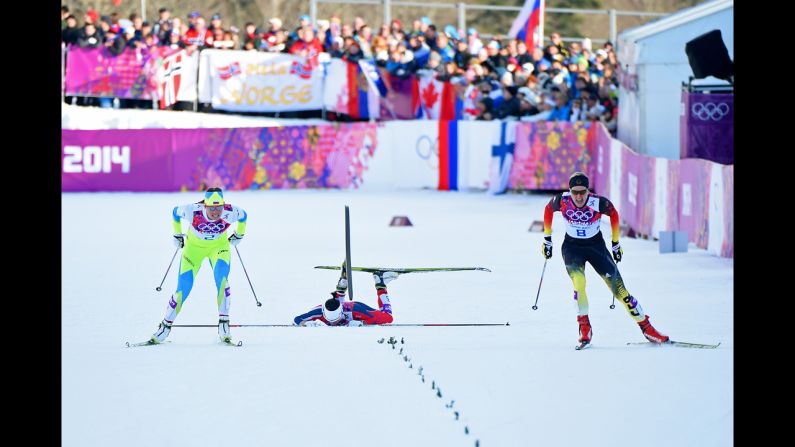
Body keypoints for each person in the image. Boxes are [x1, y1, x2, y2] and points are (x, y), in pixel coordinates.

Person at [541, 172, 669, 347]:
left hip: (596, 248)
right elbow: (548, 210)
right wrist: (547, 239)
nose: (579, 196)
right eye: (575, 192)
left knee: (620, 292)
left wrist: (615, 243)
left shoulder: (598, 202)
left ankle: (647, 328)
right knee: (579, 283)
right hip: (572, 248)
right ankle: (584, 326)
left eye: (582, 192)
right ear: (569, 190)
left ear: (588, 190)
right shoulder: (562, 201)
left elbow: (614, 214)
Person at [149, 188, 248, 344]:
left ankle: (224, 323)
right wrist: (177, 234)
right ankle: (165, 326)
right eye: (212, 208)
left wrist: (240, 234)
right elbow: (175, 212)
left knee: (222, 281)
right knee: (183, 289)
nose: (216, 212)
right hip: (193, 251)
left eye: (219, 207)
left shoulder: (231, 211)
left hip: (219, 249)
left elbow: (244, 216)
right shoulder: (192, 210)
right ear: (205, 205)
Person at [293, 265, 397, 326]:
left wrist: (361, 323)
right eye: (330, 320)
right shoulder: (317, 311)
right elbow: (297, 320)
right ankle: (342, 284)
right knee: (338, 304)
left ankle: (381, 283)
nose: (333, 323)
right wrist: (305, 324)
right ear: (324, 312)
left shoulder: (356, 310)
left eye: (336, 320)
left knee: (388, 318)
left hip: (354, 309)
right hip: (340, 306)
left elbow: (371, 319)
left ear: (341, 312)